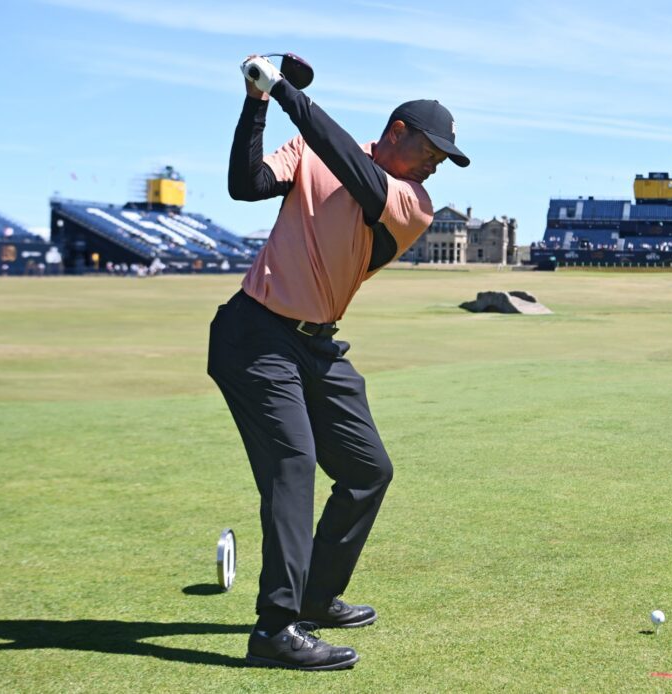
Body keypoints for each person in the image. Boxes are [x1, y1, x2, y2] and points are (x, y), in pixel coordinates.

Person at [207, 54, 468, 672]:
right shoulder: (311, 148)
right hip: (256, 334)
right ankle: (275, 629)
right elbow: (246, 185)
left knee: (367, 469)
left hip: (317, 346)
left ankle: (317, 597)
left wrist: (286, 90)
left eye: (445, 158)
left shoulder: (413, 203)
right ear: (398, 131)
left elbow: (352, 169)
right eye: (433, 149)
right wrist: (257, 102)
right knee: (293, 466)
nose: (437, 164)